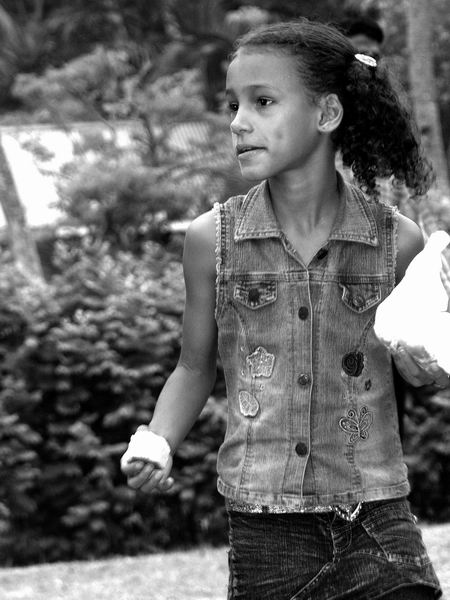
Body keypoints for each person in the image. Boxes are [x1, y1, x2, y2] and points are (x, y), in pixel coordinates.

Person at [122, 19, 448, 599]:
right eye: (233, 105)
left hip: (377, 515)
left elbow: (412, 369)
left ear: (327, 113)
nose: (238, 122)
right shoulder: (211, 240)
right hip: (266, 532)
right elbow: (194, 367)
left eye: (263, 102)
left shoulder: (397, 242)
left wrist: (427, 363)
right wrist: (158, 440)